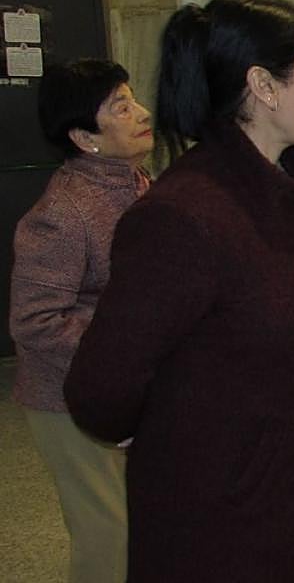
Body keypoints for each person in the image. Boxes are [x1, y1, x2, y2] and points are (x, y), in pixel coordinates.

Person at [63, 0, 294, 582]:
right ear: (263, 86)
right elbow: (101, 386)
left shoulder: (293, 188)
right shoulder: (183, 215)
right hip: (220, 523)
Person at [9, 59, 153, 583]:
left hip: (128, 389)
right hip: (69, 400)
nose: (142, 112)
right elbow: (35, 321)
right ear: (84, 137)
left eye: (133, 98)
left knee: (147, 529)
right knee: (108, 541)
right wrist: (127, 350)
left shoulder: (138, 182)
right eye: (121, 106)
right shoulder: (63, 212)